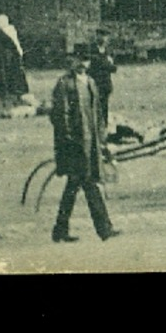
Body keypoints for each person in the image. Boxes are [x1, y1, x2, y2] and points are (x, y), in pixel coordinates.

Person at [49, 44, 120, 244]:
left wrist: (101, 136)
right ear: (72, 61)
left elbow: (97, 113)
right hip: (75, 146)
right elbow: (59, 116)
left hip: (91, 144)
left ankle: (60, 229)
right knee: (88, 184)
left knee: (74, 186)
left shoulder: (90, 83)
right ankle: (104, 229)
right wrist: (69, 140)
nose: (83, 64)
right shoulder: (65, 84)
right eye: (80, 60)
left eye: (87, 60)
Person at [0, 14, 30, 103]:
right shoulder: (10, 31)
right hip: (12, 57)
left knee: (11, 76)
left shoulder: (5, 32)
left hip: (10, 58)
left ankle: (12, 95)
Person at [87, 29, 117, 128]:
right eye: (101, 35)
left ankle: (104, 129)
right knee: (93, 108)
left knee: (104, 108)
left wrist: (107, 64)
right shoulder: (91, 49)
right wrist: (106, 64)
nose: (104, 38)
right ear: (97, 36)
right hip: (94, 83)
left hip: (105, 84)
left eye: (106, 36)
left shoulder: (108, 50)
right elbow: (94, 65)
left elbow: (113, 68)